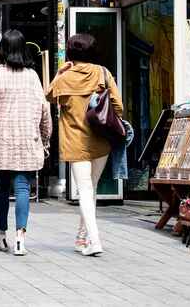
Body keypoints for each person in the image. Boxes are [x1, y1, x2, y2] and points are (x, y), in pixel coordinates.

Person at [46, 33, 123, 257]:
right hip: (100, 138)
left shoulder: (64, 78)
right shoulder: (103, 73)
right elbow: (118, 106)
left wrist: (59, 73)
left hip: (75, 141)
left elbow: (49, 95)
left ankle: (95, 240)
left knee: (85, 190)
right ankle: (83, 237)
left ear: (71, 53)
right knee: (92, 189)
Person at [0, 29, 52, 256]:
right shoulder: (32, 75)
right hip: (27, 139)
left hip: (2, 140)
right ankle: (20, 237)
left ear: (2, 50)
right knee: (22, 188)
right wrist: (45, 138)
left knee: (1, 189)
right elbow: (44, 110)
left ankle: (2, 235)